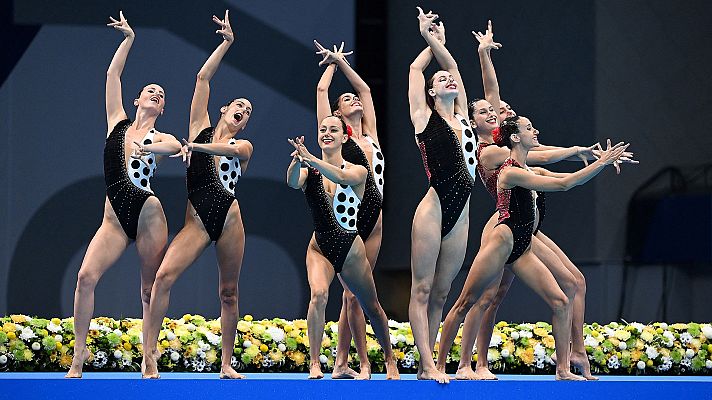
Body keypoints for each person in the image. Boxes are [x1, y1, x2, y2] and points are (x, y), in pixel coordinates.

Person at [437, 112, 629, 380]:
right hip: (501, 242)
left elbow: (560, 168)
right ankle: (438, 367)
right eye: (529, 128)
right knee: (465, 303)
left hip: (522, 245)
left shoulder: (528, 169)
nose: (536, 131)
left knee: (561, 301)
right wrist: (602, 163)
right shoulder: (511, 172)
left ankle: (562, 369)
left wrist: (600, 161)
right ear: (516, 137)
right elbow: (564, 184)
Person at [66, 11, 182, 378]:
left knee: (149, 289)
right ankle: (78, 354)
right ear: (136, 100)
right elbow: (112, 75)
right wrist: (129, 39)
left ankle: (149, 354)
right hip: (113, 220)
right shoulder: (116, 121)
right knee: (85, 276)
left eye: (161, 96)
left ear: (162, 109)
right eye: (150, 91)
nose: (155, 95)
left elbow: (176, 145)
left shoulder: (160, 137)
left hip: (148, 213)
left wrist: (150, 148)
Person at [142, 10, 252, 379]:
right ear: (224, 108)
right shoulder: (199, 127)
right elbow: (202, 77)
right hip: (198, 219)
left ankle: (225, 364)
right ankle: (149, 354)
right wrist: (226, 43)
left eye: (248, 111)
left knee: (228, 293)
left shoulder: (243, 145)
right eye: (239, 105)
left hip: (230, 218)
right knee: (163, 277)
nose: (243, 111)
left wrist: (196, 148)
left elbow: (228, 153)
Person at [286, 116, 399, 380]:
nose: (327, 133)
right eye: (323, 129)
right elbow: (293, 182)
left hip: (350, 247)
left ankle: (389, 359)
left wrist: (312, 159)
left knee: (371, 306)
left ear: (344, 137)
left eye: (333, 130)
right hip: (319, 247)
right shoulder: (308, 170)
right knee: (319, 295)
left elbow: (341, 177)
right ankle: (314, 363)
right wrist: (295, 163)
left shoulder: (358, 170)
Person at [407, 8, 477, 383]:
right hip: (433, 208)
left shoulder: (464, 116)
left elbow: (455, 68)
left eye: (450, 78)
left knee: (442, 290)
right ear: (432, 92)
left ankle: (424, 363)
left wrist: (442, 45)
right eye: (441, 79)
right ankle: (430, 364)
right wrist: (426, 39)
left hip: (461, 213)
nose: (448, 79)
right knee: (421, 287)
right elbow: (416, 72)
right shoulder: (423, 116)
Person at [313, 40, 384, 379]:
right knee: (350, 295)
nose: (354, 100)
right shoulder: (336, 135)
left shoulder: (371, 136)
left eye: (353, 99)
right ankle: (358, 362)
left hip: (375, 219)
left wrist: (345, 63)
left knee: (355, 296)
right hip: (346, 218)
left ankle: (346, 361)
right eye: (346, 101)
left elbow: (366, 88)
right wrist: (331, 64)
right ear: (337, 117)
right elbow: (322, 89)